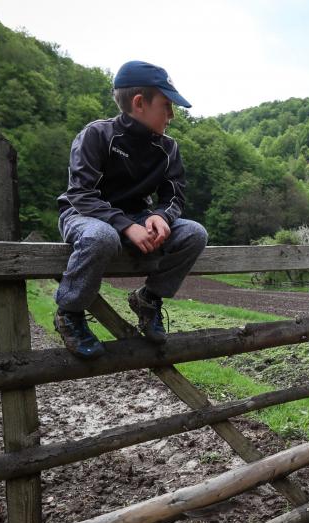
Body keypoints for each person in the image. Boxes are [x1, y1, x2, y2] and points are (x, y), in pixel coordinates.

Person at [53, 60, 208, 359]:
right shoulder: (97, 135)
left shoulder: (169, 148)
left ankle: (148, 299)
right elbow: (81, 193)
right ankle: (69, 313)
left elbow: (174, 195)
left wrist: (160, 216)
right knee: (102, 237)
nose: (172, 116)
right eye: (166, 106)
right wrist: (125, 225)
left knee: (194, 233)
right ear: (139, 103)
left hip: (137, 219)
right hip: (85, 216)